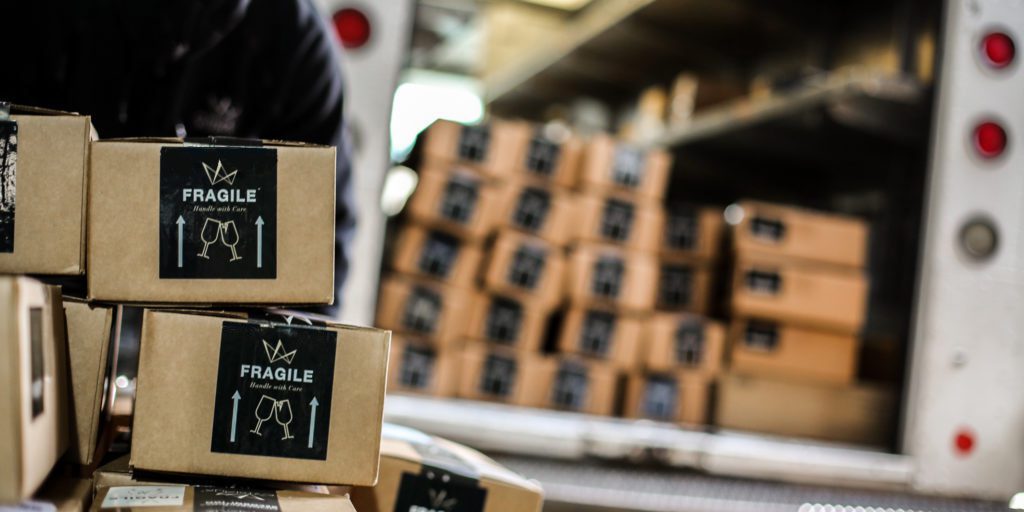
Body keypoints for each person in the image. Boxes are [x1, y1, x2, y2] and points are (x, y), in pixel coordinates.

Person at [1, 0, 354, 315]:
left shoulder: (292, 43)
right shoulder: (44, 15)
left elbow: (322, 231)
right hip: (38, 305)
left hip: (184, 334)